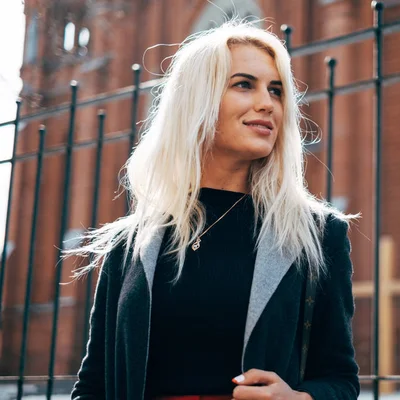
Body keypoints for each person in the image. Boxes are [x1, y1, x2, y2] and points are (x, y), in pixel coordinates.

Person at [69, 19, 360, 400]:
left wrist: (299, 399)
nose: (267, 103)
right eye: (244, 84)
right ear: (196, 100)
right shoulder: (128, 244)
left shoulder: (319, 235)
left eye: (276, 90)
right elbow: (93, 386)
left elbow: (341, 379)